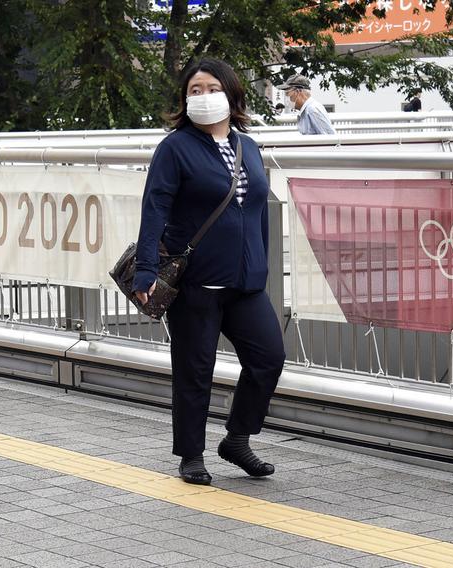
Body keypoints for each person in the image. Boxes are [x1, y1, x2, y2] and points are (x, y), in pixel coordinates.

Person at [133, 58, 285, 485]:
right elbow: (155, 208)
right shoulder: (175, 148)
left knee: (268, 359)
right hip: (197, 282)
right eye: (194, 90)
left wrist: (262, 265)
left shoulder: (248, 147)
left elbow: (258, 210)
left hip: (246, 283)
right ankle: (191, 455)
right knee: (194, 371)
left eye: (211, 87)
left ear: (231, 93)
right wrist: (146, 268)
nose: (203, 96)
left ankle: (237, 439)